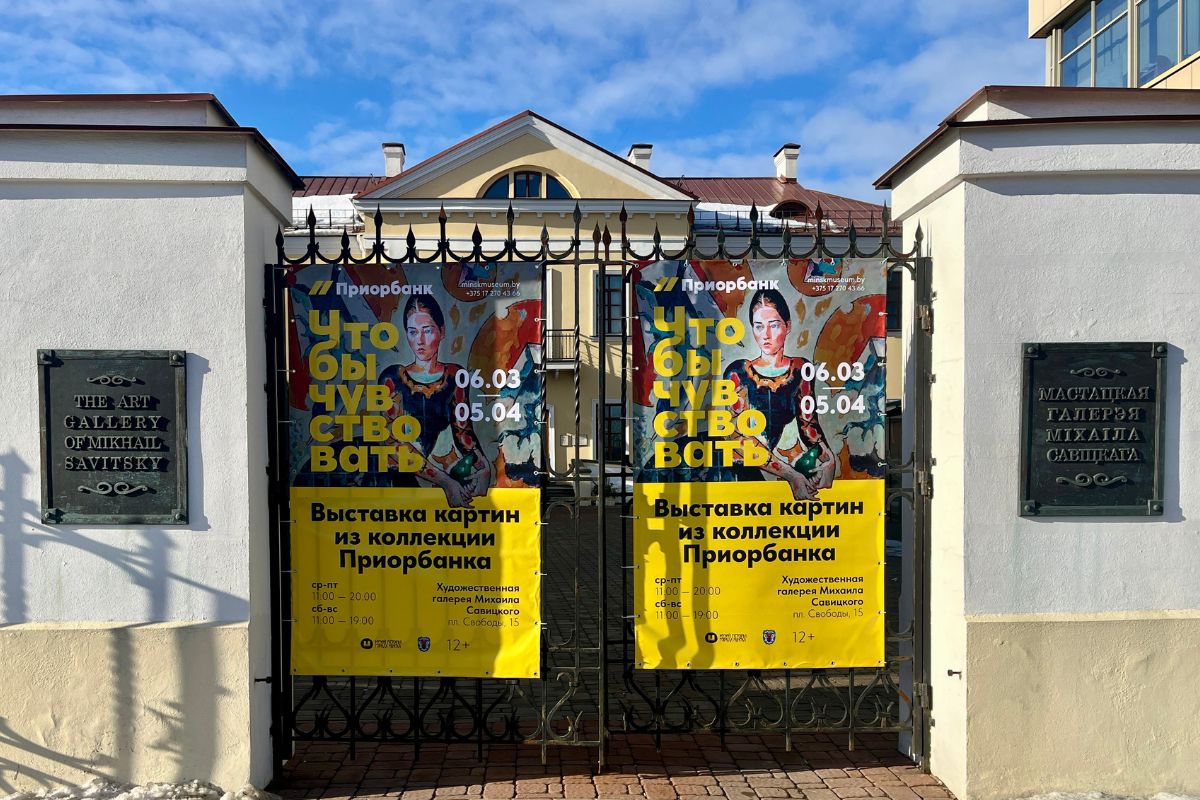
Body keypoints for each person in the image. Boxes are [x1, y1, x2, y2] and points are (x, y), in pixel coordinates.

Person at [377, 293, 493, 507]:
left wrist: (484, 467)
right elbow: (394, 445)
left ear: (442, 331)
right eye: (413, 332)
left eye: (427, 330)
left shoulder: (455, 375)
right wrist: (446, 482)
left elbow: (462, 432)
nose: (419, 341)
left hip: (433, 476)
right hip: (394, 481)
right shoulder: (392, 378)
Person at [722, 287, 836, 500]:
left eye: (773, 325)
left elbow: (809, 427)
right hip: (726, 470)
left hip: (761, 468)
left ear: (787, 326)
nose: (765, 335)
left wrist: (829, 460)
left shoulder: (800, 369)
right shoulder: (737, 372)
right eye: (758, 326)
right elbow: (739, 440)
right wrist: (791, 475)